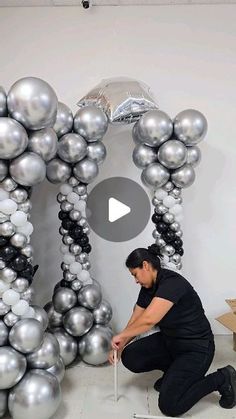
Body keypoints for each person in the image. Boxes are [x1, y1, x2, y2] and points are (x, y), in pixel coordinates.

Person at [109, 244, 236, 417]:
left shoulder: (172, 283)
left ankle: (222, 378)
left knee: (170, 406)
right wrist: (120, 345)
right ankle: (172, 373)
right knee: (131, 356)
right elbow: (137, 319)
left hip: (197, 348)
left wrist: (120, 335)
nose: (136, 280)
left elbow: (149, 320)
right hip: (171, 341)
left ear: (145, 266)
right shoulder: (147, 288)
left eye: (135, 274)